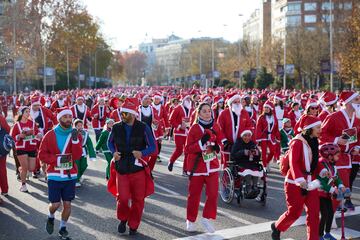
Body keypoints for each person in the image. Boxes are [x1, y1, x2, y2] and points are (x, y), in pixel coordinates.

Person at [107, 97, 156, 235]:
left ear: (133, 114)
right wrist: (113, 152)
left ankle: (134, 224)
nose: (122, 116)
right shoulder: (116, 127)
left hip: (138, 168)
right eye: (121, 113)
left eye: (125, 114)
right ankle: (123, 219)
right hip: (121, 167)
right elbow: (109, 143)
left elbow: (152, 146)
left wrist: (142, 152)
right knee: (122, 198)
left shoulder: (143, 127)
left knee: (138, 199)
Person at [271, 115, 322, 240]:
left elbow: (315, 161)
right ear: (309, 128)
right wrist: (300, 180)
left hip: (310, 183)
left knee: (314, 213)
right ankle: (277, 227)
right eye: (318, 127)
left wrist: (324, 170)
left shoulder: (315, 141)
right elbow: (293, 163)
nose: (320, 130)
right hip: (294, 182)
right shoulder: (297, 142)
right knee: (294, 213)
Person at [39, 108, 83, 240]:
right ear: (59, 119)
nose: (69, 119)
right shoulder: (50, 135)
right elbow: (41, 154)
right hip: (54, 174)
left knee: (68, 204)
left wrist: (75, 141)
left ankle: (63, 228)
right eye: (66, 117)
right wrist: (57, 159)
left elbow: (77, 155)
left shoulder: (76, 135)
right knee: (55, 204)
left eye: (70, 117)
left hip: (70, 175)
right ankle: (51, 216)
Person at [184, 102, 224, 233]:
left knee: (213, 194)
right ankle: (190, 220)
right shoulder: (194, 128)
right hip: (197, 167)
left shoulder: (216, 126)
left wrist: (218, 147)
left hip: (212, 166)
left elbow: (219, 142)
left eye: (209, 111)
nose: (208, 113)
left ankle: (206, 218)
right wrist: (201, 142)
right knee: (194, 195)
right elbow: (187, 148)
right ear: (199, 113)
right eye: (204, 111)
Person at [320, 91, 360, 211]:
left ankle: (330, 214)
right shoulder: (333, 117)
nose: (359, 102)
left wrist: (357, 147)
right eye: (357, 100)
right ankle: (329, 218)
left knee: (343, 188)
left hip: (349, 158)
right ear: (348, 103)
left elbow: (358, 138)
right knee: (340, 188)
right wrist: (336, 140)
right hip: (334, 158)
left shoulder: (357, 120)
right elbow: (321, 134)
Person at [317, 143, 345, 240]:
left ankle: (327, 233)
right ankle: (319, 235)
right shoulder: (322, 165)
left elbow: (336, 178)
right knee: (324, 213)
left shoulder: (332, 166)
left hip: (327, 194)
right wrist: (333, 189)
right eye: (337, 155)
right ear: (329, 156)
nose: (339, 157)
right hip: (319, 194)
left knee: (331, 213)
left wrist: (340, 185)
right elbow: (321, 183)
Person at [217, 92, 253, 168]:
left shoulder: (244, 113)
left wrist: (246, 135)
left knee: (240, 165)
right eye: (235, 102)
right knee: (227, 165)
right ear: (230, 103)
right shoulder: (223, 113)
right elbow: (219, 128)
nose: (237, 104)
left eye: (238, 102)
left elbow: (249, 125)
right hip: (227, 144)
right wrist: (224, 140)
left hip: (241, 144)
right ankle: (225, 179)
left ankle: (238, 179)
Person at [11, 106, 41, 192]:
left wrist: (39, 135)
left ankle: (21, 170)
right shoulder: (17, 125)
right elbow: (12, 137)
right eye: (26, 112)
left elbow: (38, 132)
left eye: (29, 111)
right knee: (25, 168)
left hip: (32, 147)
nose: (28, 113)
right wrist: (19, 136)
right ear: (22, 113)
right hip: (21, 148)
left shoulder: (32, 123)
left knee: (31, 168)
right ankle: (23, 185)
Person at [231, 130, 261, 199]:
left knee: (256, 171)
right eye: (245, 136)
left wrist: (256, 153)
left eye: (249, 136)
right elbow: (233, 155)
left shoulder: (252, 143)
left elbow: (258, 156)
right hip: (240, 163)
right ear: (242, 136)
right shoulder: (238, 143)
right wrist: (243, 152)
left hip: (251, 163)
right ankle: (248, 187)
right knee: (248, 172)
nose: (247, 137)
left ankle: (255, 187)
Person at [168, 94, 194, 175]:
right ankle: (171, 161)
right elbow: (171, 120)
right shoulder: (178, 108)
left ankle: (185, 170)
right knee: (179, 150)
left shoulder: (192, 109)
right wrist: (179, 126)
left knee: (187, 151)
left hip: (188, 133)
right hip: (179, 133)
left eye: (190, 99)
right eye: (187, 99)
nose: (189, 101)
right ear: (183, 100)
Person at [255, 100, 280, 171]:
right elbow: (258, 128)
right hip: (263, 137)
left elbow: (276, 128)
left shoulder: (274, 118)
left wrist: (277, 137)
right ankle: (265, 166)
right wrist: (258, 138)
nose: (266, 109)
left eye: (267, 107)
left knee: (272, 151)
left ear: (271, 109)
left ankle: (267, 161)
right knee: (264, 152)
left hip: (271, 137)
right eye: (265, 107)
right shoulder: (261, 117)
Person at [73, 119, 96, 187]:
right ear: (75, 126)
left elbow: (89, 144)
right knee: (76, 165)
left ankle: (79, 176)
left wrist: (92, 155)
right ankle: (76, 180)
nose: (80, 127)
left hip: (83, 151)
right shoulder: (72, 132)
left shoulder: (85, 133)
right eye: (78, 125)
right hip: (75, 151)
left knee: (84, 165)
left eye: (81, 125)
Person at [0, 112, 11, 200]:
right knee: (2, 169)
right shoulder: (1, 117)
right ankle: (4, 190)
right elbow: (7, 129)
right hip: (1, 149)